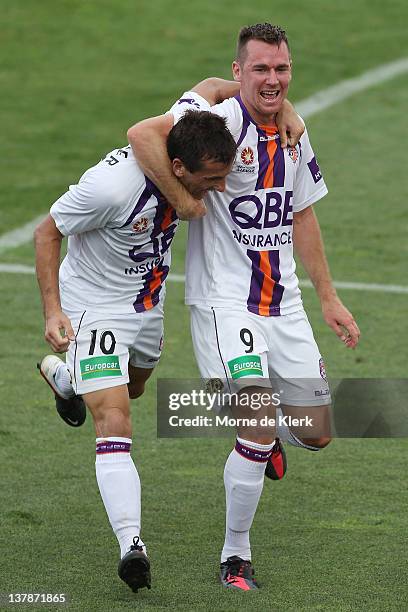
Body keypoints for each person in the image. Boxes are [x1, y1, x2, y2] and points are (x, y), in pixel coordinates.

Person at [127, 23, 361, 590]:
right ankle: (236, 555)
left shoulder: (294, 136)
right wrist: (185, 200)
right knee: (255, 423)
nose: (273, 80)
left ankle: (268, 433)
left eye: (282, 69)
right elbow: (143, 135)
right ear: (239, 72)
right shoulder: (220, 124)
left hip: (284, 306)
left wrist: (327, 295)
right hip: (224, 303)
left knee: (319, 433)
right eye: (260, 69)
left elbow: (301, 213)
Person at [34, 106, 238, 593]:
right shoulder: (110, 190)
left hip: (147, 303)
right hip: (94, 309)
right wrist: (53, 313)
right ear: (180, 169)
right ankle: (132, 546)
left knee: (136, 388)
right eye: (212, 180)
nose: (220, 189)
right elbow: (47, 232)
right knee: (115, 418)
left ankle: (66, 380)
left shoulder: (186, 127)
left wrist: (286, 107)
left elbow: (214, 85)